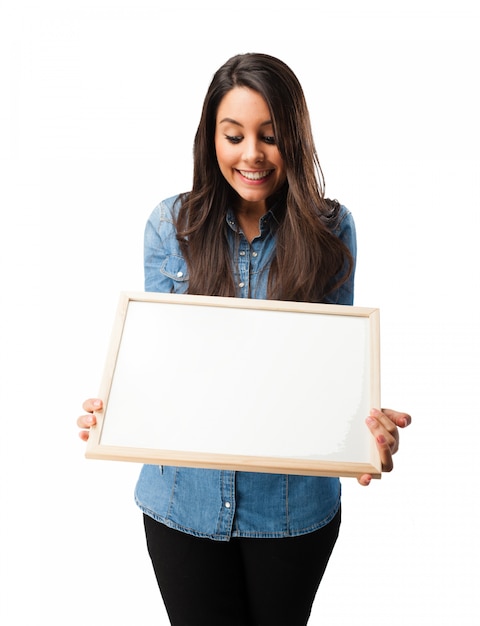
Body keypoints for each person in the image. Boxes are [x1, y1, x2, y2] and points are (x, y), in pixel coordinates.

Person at [77, 53, 411, 626]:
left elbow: (329, 372)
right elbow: (163, 365)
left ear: (295, 140)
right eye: (234, 136)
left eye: (270, 136)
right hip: (181, 502)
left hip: (291, 510)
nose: (251, 154)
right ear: (212, 139)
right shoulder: (170, 225)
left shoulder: (332, 229)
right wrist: (119, 410)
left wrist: (364, 437)